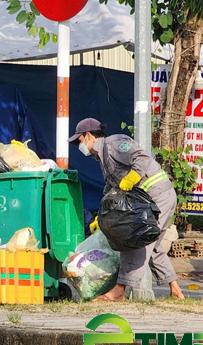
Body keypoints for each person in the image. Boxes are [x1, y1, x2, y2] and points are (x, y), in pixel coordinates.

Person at [68, 118, 185, 301]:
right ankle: (176, 289)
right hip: (152, 199)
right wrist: (101, 218)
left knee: (136, 238)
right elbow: (111, 188)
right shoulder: (102, 157)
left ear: (88, 135)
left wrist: (131, 178)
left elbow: (143, 159)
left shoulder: (115, 143)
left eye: (80, 141)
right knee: (151, 243)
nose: (79, 146)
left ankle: (119, 291)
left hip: (156, 195)